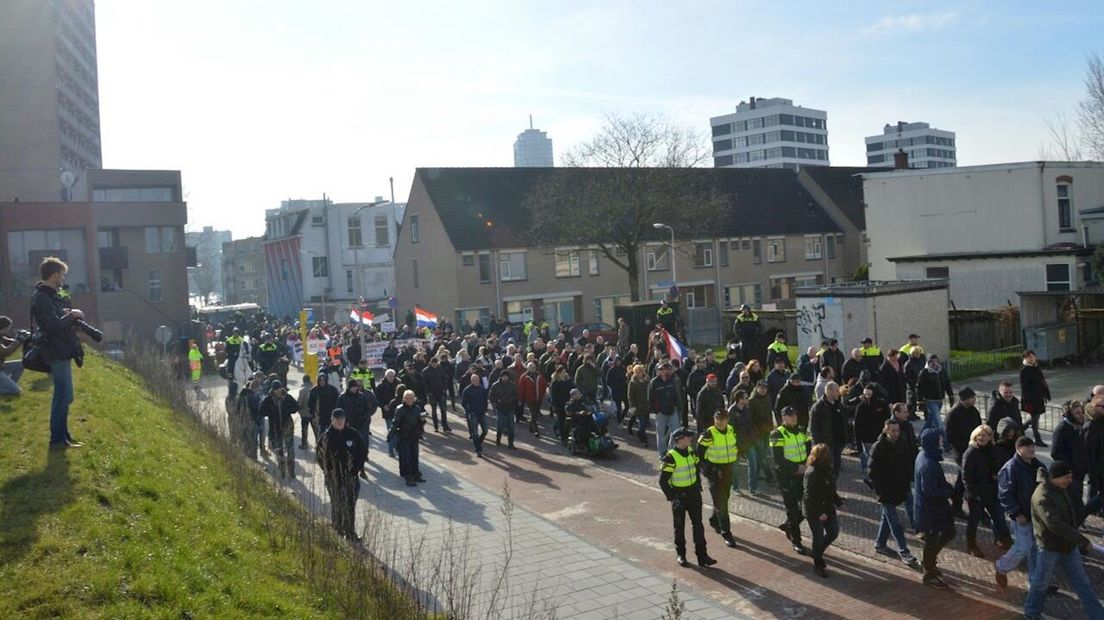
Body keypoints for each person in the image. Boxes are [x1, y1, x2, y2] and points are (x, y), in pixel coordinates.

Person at [1023, 460, 1104, 620]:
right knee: (1040, 583)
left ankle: (1098, 615)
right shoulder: (1042, 496)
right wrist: (1081, 540)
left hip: (1068, 546)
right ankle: (1031, 612)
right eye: (1067, 477)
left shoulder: (1059, 488)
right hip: (1050, 548)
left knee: (1082, 583)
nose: (1070, 480)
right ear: (1055, 477)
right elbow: (1056, 525)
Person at [31, 257, 86, 449]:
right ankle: (57, 440)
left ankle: (64, 436)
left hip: (62, 350)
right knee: (64, 396)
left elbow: (57, 319)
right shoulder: (42, 298)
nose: (63, 278)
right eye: (62, 274)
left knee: (63, 396)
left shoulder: (51, 296)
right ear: (54, 275)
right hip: (56, 352)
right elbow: (53, 326)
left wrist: (69, 312)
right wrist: (71, 316)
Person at [659, 427, 717, 568]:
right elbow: (662, 481)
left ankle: (702, 556)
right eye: (688, 437)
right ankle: (681, 555)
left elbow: (697, 468)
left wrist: (698, 485)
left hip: (693, 494)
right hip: (679, 495)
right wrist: (672, 497)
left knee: (698, 525)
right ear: (680, 440)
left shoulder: (691, 452)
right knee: (679, 527)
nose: (691, 439)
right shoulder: (671, 457)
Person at [868, 419, 922, 568]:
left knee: (887, 518)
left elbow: (905, 463)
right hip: (885, 491)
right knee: (895, 522)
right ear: (886, 430)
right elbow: (872, 471)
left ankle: (880, 543)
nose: (896, 433)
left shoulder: (901, 443)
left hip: (899, 487)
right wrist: (879, 490)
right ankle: (904, 551)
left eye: (897, 430)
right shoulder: (878, 447)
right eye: (893, 431)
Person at [995, 436, 1045, 588]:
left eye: (1032, 446)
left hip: (1036, 515)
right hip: (1022, 515)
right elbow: (1004, 494)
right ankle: (1002, 567)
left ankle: (1035, 582)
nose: (1031, 449)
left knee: (1036, 549)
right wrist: (1016, 513)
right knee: (1022, 547)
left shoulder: (1038, 466)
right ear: (1018, 449)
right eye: (1026, 446)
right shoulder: (1011, 468)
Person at [316, 408, 368, 541]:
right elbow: (320, 457)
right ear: (332, 420)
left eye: (342, 419)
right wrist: (329, 471)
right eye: (337, 419)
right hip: (334, 479)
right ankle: (338, 530)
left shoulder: (353, 434)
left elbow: (362, 452)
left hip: (351, 478)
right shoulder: (326, 437)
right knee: (337, 505)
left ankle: (350, 533)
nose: (340, 422)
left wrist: (356, 469)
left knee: (350, 506)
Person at [914, 428, 955, 589]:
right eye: (939, 441)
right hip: (930, 510)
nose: (941, 443)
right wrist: (948, 491)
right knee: (933, 540)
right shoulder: (928, 464)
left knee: (948, 532)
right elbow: (930, 491)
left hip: (932, 509)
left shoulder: (924, 456)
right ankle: (928, 572)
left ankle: (929, 562)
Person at [961, 424, 1011, 557]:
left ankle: (1004, 539)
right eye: (979, 435)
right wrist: (973, 493)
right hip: (977, 494)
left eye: (984, 435)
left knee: (999, 516)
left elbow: (1001, 464)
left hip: (992, 491)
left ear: (990, 437)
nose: (981, 438)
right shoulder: (970, 453)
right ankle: (971, 545)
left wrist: (997, 474)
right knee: (974, 521)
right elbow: (966, 475)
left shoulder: (993, 450)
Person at [1051, 400, 1101, 524]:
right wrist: (1069, 467)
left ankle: (1078, 519)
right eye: (1077, 413)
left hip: (1081, 470)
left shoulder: (1082, 426)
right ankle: (1074, 521)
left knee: (1078, 498)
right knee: (1073, 500)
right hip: (1071, 472)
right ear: (1070, 414)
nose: (1081, 416)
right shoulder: (1062, 429)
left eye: (1082, 412)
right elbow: (1055, 452)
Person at [771, 406, 812, 555]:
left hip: (803, 473)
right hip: (787, 476)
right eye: (790, 415)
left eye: (794, 414)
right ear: (783, 418)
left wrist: (807, 464)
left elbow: (809, 449)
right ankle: (797, 541)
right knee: (792, 508)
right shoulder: (777, 434)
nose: (794, 417)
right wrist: (796, 468)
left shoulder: (802, 430)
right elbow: (778, 458)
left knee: (807, 505)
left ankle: (789, 526)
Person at [698, 409, 739, 548]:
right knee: (722, 503)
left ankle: (714, 520)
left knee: (724, 498)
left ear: (727, 419)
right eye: (718, 419)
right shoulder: (709, 433)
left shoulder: (731, 430)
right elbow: (699, 454)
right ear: (714, 419)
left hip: (727, 469)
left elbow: (733, 446)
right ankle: (726, 532)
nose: (720, 422)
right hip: (714, 471)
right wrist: (709, 471)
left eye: (723, 419)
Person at [803, 443, 841, 578]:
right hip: (814, 511)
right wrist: (819, 513)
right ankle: (817, 562)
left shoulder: (827, 470)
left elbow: (831, 489)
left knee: (833, 532)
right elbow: (809, 496)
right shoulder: (812, 473)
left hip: (827, 507)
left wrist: (838, 501)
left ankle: (816, 552)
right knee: (818, 536)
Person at [260, 380, 301, 479]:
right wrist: (269, 412)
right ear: (273, 390)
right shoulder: (268, 400)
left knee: (290, 451)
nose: (278, 391)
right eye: (276, 389)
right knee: (279, 451)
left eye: (279, 389)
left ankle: (291, 471)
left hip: (287, 428)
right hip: (275, 429)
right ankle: (282, 471)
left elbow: (296, 407)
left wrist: (288, 409)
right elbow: (261, 411)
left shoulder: (287, 398)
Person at [915, 355, 953, 447]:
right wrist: (920, 401)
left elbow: (947, 384)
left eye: (936, 361)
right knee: (939, 423)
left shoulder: (942, 371)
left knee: (930, 422)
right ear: (928, 363)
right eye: (932, 362)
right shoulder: (924, 372)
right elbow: (919, 388)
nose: (935, 364)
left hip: (940, 400)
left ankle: (919, 439)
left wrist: (951, 396)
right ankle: (946, 444)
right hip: (930, 400)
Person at [809, 381, 845, 477]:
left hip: (839, 441)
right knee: (827, 467)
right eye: (837, 391)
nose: (839, 393)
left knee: (836, 466)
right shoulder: (818, 407)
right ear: (829, 391)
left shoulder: (839, 404)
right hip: (826, 443)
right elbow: (813, 428)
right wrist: (819, 445)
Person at [390, 390, 426, 486]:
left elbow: (420, 422)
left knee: (414, 455)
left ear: (414, 399)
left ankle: (415, 473)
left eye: (411, 398)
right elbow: (395, 422)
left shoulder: (417, 408)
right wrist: (391, 434)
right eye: (406, 398)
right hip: (404, 435)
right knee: (405, 457)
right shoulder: (400, 409)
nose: (409, 400)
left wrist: (423, 421)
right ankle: (408, 475)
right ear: (403, 399)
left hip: (414, 435)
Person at [854, 385, 889, 483]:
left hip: (879, 437)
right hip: (866, 439)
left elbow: (887, 419)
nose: (868, 397)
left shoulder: (881, 404)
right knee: (870, 460)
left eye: (869, 394)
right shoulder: (861, 407)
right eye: (865, 395)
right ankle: (870, 479)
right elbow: (857, 425)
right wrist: (858, 442)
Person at [650, 361, 684, 457]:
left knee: (676, 432)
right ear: (657, 371)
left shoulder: (671, 380)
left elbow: (675, 394)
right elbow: (650, 398)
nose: (663, 371)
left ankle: (672, 451)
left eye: (664, 369)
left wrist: (676, 405)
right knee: (660, 434)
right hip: (660, 412)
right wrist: (656, 410)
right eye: (661, 369)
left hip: (672, 410)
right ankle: (662, 455)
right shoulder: (654, 382)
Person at [1019, 350, 1051, 447]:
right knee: (1035, 418)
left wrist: (1046, 394)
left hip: (1039, 397)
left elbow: (1042, 381)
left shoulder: (1036, 367)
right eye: (1029, 357)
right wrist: (1028, 402)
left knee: (1035, 417)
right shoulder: (1024, 371)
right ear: (1025, 358)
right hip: (1031, 399)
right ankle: (1037, 439)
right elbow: (1024, 388)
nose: (1032, 358)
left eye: (1033, 356)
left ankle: (1020, 430)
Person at [461, 373, 490, 457]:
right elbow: (463, 403)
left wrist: (485, 408)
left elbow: (485, 399)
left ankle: (478, 442)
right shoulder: (467, 390)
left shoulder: (482, 388)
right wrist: (469, 411)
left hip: (482, 412)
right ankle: (478, 449)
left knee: (485, 430)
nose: (476, 382)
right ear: (471, 381)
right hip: (473, 414)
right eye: (474, 380)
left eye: (477, 380)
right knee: (475, 433)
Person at [489, 370, 517, 449]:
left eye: (506, 376)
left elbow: (516, 395)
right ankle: (498, 439)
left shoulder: (512, 385)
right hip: (500, 408)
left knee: (511, 427)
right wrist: (497, 400)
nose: (505, 378)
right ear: (500, 377)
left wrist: (512, 400)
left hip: (510, 408)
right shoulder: (495, 385)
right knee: (500, 425)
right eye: (503, 376)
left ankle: (510, 443)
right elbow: (491, 396)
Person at [422, 356, 451, 433]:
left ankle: (445, 426)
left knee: (443, 410)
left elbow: (445, 378)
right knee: (434, 411)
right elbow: (424, 383)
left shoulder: (440, 369)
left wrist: (444, 388)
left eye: (436, 363)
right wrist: (428, 392)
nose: (435, 365)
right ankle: (436, 426)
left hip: (441, 392)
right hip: (432, 393)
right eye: (433, 364)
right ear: (430, 363)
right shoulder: (426, 371)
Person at [308, 373, 340, 441]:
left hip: (331, 415)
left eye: (323, 380)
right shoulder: (314, 391)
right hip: (319, 417)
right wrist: (313, 414)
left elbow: (337, 402)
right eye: (320, 380)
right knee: (320, 434)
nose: (322, 382)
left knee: (332, 433)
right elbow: (310, 404)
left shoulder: (332, 390)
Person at [519, 362, 549, 436]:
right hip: (529, 399)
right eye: (531, 367)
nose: (533, 369)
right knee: (533, 414)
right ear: (528, 368)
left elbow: (544, 385)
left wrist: (542, 394)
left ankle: (531, 427)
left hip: (538, 398)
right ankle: (536, 431)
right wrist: (520, 399)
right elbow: (521, 389)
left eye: (534, 367)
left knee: (535, 414)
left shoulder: (539, 375)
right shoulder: (524, 377)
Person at [0, 316, 25, 396]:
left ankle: (10, 385)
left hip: (1, 367)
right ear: (5, 327)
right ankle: (11, 387)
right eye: (9, 327)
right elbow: (6, 352)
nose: (9, 329)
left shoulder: (1, 336)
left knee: (22, 363)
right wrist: (18, 341)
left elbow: (9, 341)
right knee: (17, 392)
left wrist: (22, 338)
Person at [296, 374, 313, 449]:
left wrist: (298, 410)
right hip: (313, 413)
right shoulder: (314, 388)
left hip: (305, 414)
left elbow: (300, 403)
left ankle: (304, 444)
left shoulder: (302, 391)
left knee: (304, 430)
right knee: (316, 430)